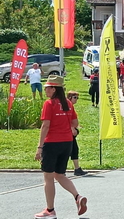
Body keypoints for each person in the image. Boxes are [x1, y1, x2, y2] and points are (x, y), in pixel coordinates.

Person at [34, 76, 87, 218]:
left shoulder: (49, 104)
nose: (45, 90)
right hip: (67, 143)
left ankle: (50, 210)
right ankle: (77, 197)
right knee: (59, 174)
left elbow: (45, 125)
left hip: (51, 143)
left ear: (54, 89)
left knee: (48, 177)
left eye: (47, 87)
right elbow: (75, 123)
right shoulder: (68, 103)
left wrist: (39, 147)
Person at [66, 91, 89, 176]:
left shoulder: (71, 106)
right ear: (69, 97)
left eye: (77, 98)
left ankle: (77, 169)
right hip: (68, 132)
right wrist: (72, 128)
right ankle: (61, 169)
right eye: (75, 97)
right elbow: (67, 119)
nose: (76, 100)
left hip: (71, 131)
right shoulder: (68, 106)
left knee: (74, 150)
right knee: (68, 150)